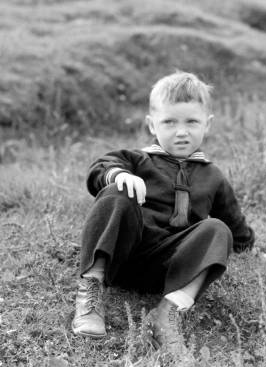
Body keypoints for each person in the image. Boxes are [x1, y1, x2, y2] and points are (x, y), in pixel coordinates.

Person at [72, 71, 255, 352]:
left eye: (191, 122)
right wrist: (118, 175)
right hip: (123, 254)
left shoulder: (213, 176)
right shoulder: (138, 159)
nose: (181, 131)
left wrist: (248, 246)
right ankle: (91, 290)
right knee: (116, 193)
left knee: (217, 228)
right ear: (151, 125)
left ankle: (169, 311)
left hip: (171, 268)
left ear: (207, 125)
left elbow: (236, 228)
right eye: (169, 122)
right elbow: (99, 169)